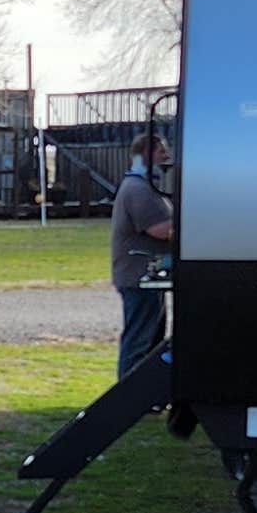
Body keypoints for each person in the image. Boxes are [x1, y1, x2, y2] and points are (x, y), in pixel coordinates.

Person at [111, 132, 173, 376]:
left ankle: (147, 396)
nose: (166, 156)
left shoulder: (144, 186)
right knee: (139, 341)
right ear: (146, 153)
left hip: (147, 276)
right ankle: (127, 394)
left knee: (152, 341)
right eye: (161, 151)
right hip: (139, 276)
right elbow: (160, 230)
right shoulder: (139, 189)